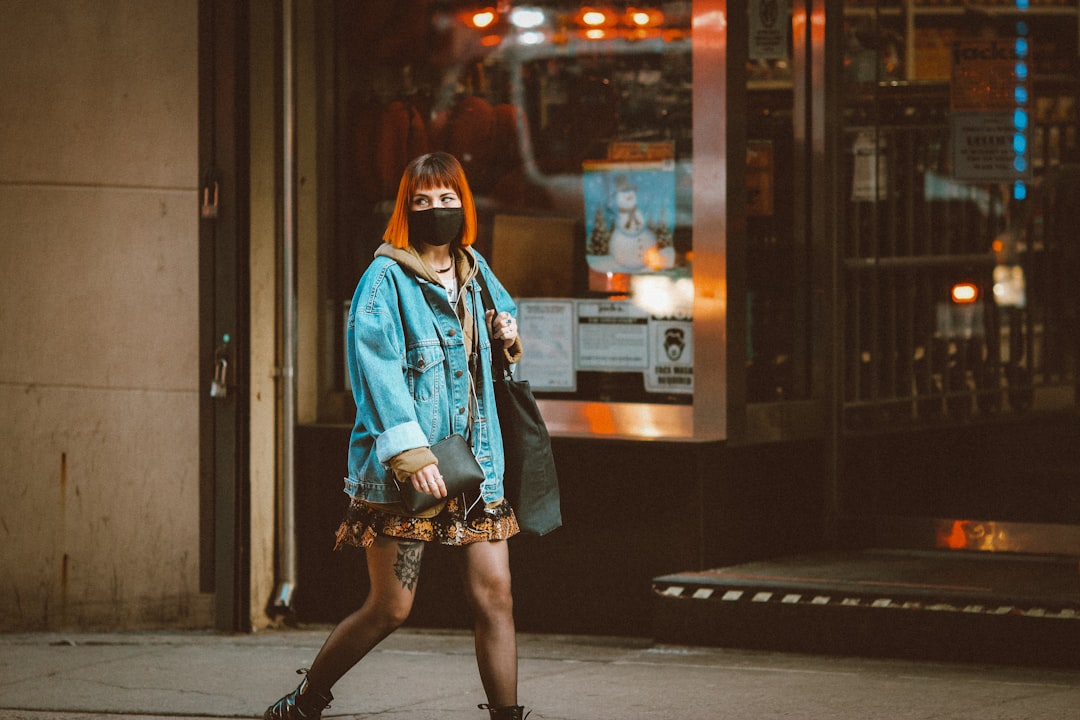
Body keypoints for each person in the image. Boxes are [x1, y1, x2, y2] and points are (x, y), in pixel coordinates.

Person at [263, 152, 528, 720]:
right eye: (424, 200)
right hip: (409, 470)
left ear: (465, 204)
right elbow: (375, 372)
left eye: (448, 198)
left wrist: (506, 333)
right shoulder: (383, 280)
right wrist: (409, 452)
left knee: (496, 596)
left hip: (476, 464)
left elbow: (500, 331)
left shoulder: (473, 268)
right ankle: (306, 701)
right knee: (390, 606)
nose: (438, 209)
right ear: (407, 209)